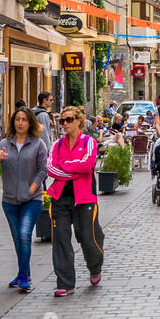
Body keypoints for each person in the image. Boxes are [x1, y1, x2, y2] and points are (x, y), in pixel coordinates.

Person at [0, 107, 47, 293]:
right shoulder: (5, 143)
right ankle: (23, 272)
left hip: (32, 199)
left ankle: (24, 276)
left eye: (24, 119)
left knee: (23, 234)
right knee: (17, 238)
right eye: (17, 119)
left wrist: (33, 187)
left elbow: (43, 170)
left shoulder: (38, 144)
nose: (20, 123)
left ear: (30, 122)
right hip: (10, 200)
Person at [46, 105, 104, 297]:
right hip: (60, 198)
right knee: (61, 240)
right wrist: (73, 170)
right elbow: (50, 168)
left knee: (88, 238)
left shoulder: (89, 142)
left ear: (79, 121)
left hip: (84, 198)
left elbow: (88, 164)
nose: (65, 124)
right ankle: (65, 283)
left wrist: (64, 167)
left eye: (69, 119)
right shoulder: (57, 145)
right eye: (62, 120)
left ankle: (95, 267)